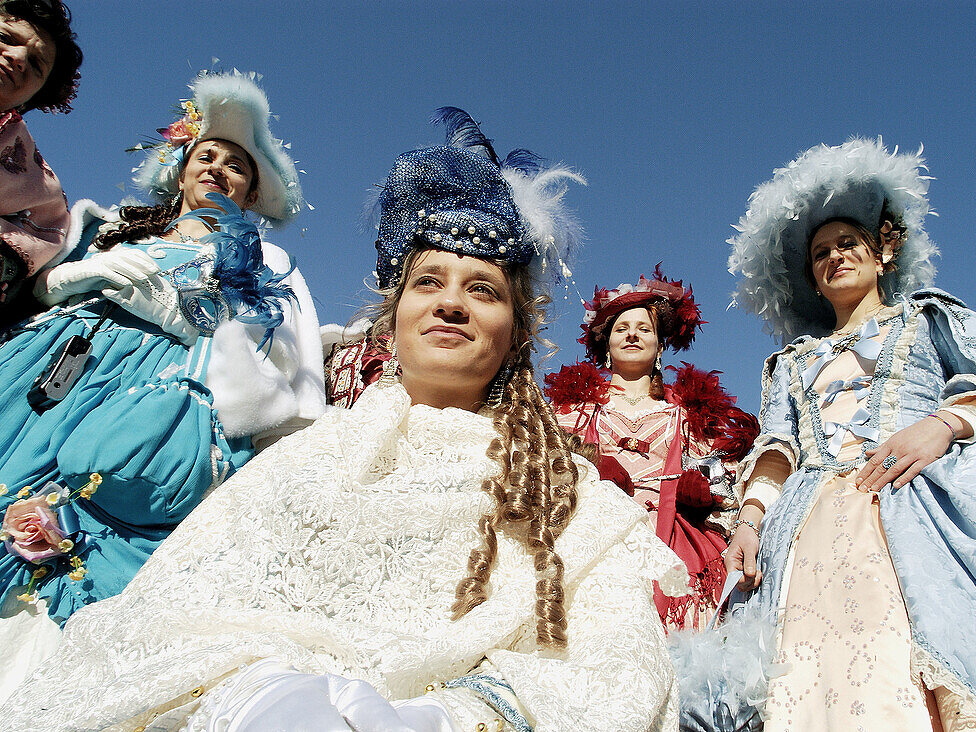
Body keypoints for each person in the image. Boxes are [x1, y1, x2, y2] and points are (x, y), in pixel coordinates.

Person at [1, 108, 685, 732]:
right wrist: (256, 696)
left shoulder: (572, 503)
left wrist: (452, 718)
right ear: (393, 317)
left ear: (517, 333)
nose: (451, 304)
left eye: (481, 289)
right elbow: (173, 616)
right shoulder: (302, 461)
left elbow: (611, 668)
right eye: (428, 282)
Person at [676, 138, 976, 732]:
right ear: (813, 283)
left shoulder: (928, 319)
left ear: (883, 254)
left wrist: (944, 425)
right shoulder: (792, 362)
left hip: (920, 502)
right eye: (820, 254)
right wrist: (748, 522)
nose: (834, 257)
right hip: (808, 523)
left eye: (847, 243)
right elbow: (777, 448)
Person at [0, 71, 323, 698]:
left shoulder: (265, 262)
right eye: (208, 157)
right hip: (46, 369)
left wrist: (181, 318)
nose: (219, 171)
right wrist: (74, 280)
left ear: (252, 194)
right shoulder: (112, 223)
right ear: (181, 168)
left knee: (63, 565)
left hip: (141, 395)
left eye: (238, 168)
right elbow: (34, 275)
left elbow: (284, 355)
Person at [544, 268, 758, 629]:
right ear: (606, 346)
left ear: (660, 347)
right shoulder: (571, 413)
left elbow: (725, 481)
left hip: (673, 544)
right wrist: (589, 469)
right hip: (593, 540)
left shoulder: (689, 414)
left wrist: (700, 488)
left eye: (644, 329)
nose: (632, 335)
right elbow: (541, 466)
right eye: (621, 328)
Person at [0, 0, 82, 324]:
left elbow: (45, 235)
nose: (19, 58)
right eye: (7, 37)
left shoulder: (35, 181)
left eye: (36, 65)